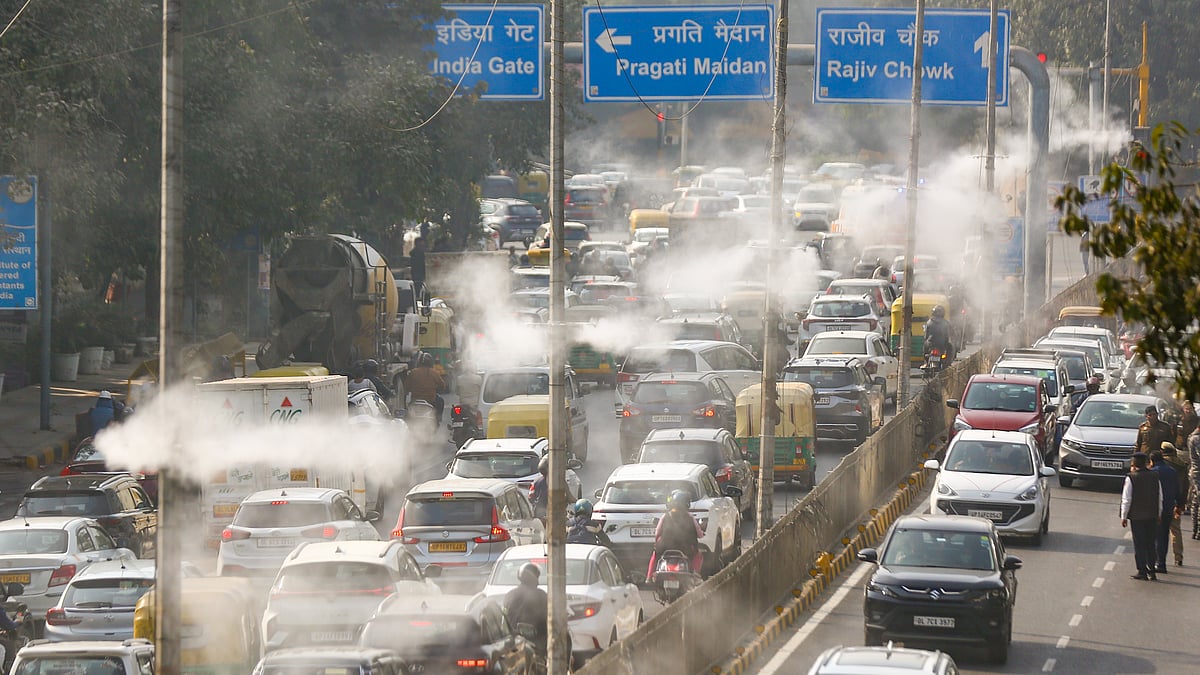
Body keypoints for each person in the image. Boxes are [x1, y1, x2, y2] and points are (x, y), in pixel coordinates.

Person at [647, 489, 704, 583]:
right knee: (699, 554)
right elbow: (699, 534)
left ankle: (649, 576)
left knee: (655, 555)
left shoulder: (665, 516)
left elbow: (657, 533)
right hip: (686, 549)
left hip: (664, 548)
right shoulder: (690, 517)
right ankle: (695, 576)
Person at [1121, 452, 1161, 580]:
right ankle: (1152, 570)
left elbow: (1127, 498)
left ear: (1133, 464)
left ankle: (1142, 570)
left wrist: (1124, 516)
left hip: (1137, 517)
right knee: (1150, 543)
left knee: (1139, 544)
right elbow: (1160, 497)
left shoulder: (1131, 478)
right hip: (1152, 516)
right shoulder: (1155, 476)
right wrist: (1159, 513)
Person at [1149, 449, 1184, 574]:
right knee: (1163, 536)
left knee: (1153, 537)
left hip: (1154, 509)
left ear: (1152, 461)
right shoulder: (1172, 471)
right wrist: (1179, 505)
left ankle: (1153, 563)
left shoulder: (1152, 472)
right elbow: (1177, 489)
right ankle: (1161, 564)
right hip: (1169, 508)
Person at [504, 563, 548, 655]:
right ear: (535, 577)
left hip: (514, 638)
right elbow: (549, 616)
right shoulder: (541, 595)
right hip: (538, 640)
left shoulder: (510, 594)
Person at [1159, 442, 1190, 566]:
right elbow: (1185, 486)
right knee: (1176, 530)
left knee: (1160, 532)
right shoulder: (1182, 465)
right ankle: (1178, 557)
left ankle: (1159, 559)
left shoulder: (1161, 465)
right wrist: (1182, 504)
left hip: (1162, 502)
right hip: (1176, 502)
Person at [404, 352, 445, 422]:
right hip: (431, 400)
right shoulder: (434, 373)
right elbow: (442, 385)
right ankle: (438, 419)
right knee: (441, 400)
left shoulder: (413, 372)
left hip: (415, 399)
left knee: (407, 410)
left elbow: (406, 386)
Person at [529, 456, 550, 523]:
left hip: (538, 511)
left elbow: (530, 497)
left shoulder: (536, 481)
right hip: (550, 511)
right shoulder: (555, 481)